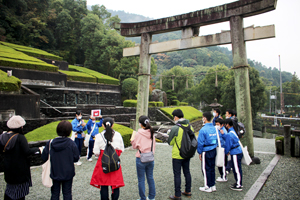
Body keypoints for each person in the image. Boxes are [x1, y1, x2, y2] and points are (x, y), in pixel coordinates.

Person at [0, 115, 40, 200]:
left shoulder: (3, 137)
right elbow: (27, 151)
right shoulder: (20, 138)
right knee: (20, 193)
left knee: (9, 189)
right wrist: (38, 149)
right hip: (19, 169)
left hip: (8, 167)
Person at [41, 120, 79, 200]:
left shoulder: (51, 143)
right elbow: (76, 158)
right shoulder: (71, 143)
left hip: (55, 171)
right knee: (67, 193)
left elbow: (44, 157)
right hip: (68, 172)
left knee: (55, 193)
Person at [90, 117, 125, 200]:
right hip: (114, 160)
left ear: (103, 125)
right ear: (112, 125)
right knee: (115, 183)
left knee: (103, 184)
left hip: (103, 161)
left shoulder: (99, 136)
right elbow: (121, 149)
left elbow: (96, 151)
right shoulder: (118, 135)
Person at [168, 109, 193, 200]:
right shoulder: (190, 126)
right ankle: (188, 191)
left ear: (176, 117)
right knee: (187, 172)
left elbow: (170, 142)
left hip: (177, 155)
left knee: (177, 175)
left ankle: (177, 195)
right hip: (187, 153)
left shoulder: (175, 128)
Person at [131, 116, 156, 200]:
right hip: (150, 157)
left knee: (141, 179)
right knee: (150, 177)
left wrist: (132, 140)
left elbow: (134, 146)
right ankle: (152, 197)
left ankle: (143, 198)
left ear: (140, 124)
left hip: (141, 158)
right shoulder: (152, 132)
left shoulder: (139, 133)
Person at [197, 112, 218, 193]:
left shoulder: (203, 130)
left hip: (206, 150)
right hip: (213, 149)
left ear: (205, 118)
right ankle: (212, 185)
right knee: (212, 168)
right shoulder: (214, 128)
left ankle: (207, 186)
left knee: (205, 169)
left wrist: (199, 152)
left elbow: (200, 142)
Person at [224, 119, 243, 191]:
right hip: (238, 151)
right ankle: (238, 182)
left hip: (235, 152)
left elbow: (228, 145)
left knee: (236, 169)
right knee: (238, 168)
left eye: (225, 124)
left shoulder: (229, 134)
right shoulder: (233, 131)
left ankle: (238, 184)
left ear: (227, 124)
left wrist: (226, 152)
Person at [215, 118, 228, 182]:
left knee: (222, 163)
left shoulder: (223, 131)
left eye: (218, 124)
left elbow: (225, 140)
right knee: (220, 162)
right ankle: (222, 175)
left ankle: (223, 176)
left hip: (222, 149)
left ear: (222, 125)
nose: (216, 126)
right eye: (216, 124)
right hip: (219, 148)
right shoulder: (219, 130)